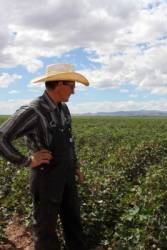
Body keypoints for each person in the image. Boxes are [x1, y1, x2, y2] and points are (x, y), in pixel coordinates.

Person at [0, 63, 89, 250]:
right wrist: (26, 160)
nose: (73, 91)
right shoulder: (33, 111)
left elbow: (69, 142)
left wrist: (76, 167)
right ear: (59, 85)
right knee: (45, 229)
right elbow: (2, 137)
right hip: (45, 178)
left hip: (66, 175)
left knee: (73, 222)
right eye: (72, 86)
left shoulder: (63, 110)